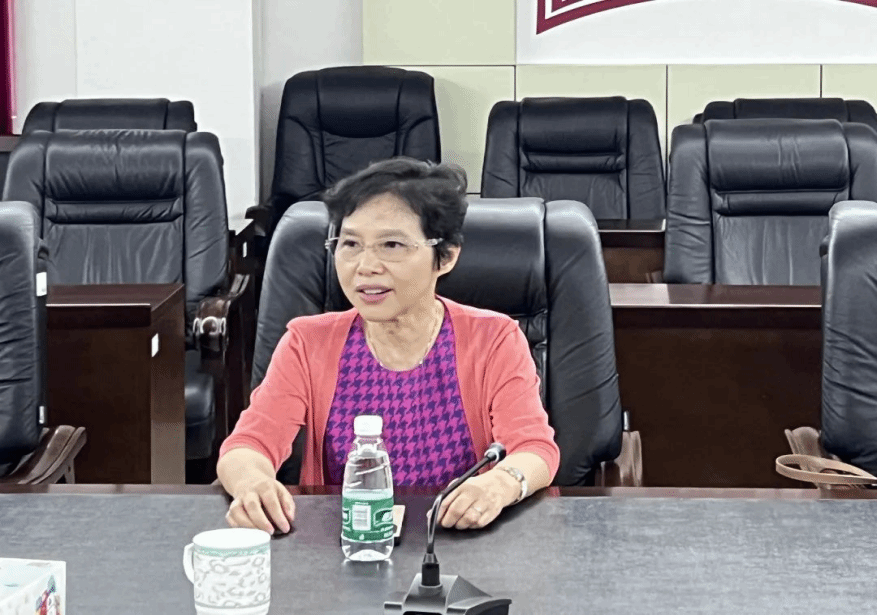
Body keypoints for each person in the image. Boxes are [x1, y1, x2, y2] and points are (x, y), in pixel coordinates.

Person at [217, 158, 560, 534]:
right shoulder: (307, 342)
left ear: (446, 256)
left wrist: (500, 484)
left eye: (392, 245)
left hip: (461, 539)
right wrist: (252, 483)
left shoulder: (494, 339)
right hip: (347, 541)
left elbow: (534, 449)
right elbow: (248, 445)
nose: (365, 266)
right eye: (350, 244)